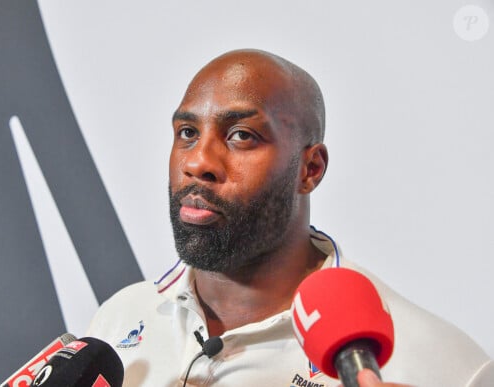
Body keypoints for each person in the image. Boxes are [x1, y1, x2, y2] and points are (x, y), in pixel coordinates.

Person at [87, 49, 494, 386]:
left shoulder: (444, 366)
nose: (198, 162)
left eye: (241, 135)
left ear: (310, 168)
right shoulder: (119, 317)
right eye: (188, 133)